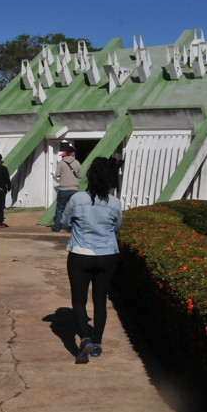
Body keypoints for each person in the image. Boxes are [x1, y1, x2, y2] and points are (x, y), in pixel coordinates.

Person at [60, 156, 122, 364]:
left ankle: (84, 338)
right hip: (107, 256)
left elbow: (65, 222)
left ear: (90, 176)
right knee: (100, 300)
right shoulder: (114, 203)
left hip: (80, 254)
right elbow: (116, 228)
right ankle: (97, 343)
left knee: (79, 300)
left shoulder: (77, 199)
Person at [51, 143, 82, 232]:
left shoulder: (61, 163)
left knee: (60, 209)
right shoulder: (77, 163)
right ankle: (71, 227)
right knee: (73, 209)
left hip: (63, 189)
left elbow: (57, 174)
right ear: (72, 153)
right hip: (73, 189)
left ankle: (57, 227)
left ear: (66, 153)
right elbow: (80, 176)